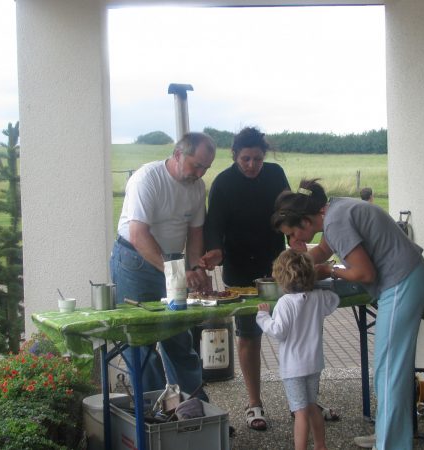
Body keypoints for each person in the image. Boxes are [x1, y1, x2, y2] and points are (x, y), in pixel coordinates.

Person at [271, 179, 424, 450]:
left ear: (305, 221)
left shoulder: (335, 222)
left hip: (402, 282)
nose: (293, 241)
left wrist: (330, 271)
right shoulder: (332, 211)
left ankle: (390, 444)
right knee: (388, 370)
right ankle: (387, 436)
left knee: (390, 372)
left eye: (293, 235)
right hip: (403, 280)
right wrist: (293, 264)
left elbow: (364, 273)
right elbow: (323, 250)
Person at [109, 132, 216, 400]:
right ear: (178, 154)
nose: (200, 173)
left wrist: (196, 269)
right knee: (140, 342)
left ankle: (195, 410)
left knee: (179, 337)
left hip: (172, 261)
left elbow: (195, 234)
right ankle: (157, 412)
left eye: (206, 168)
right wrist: (175, 271)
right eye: (197, 165)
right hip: (134, 260)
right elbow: (138, 234)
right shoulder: (148, 178)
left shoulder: (197, 187)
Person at [198, 126, 289, 430]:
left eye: (258, 159)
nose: (252, 165)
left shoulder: (276, 175)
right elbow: (213, 225)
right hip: (239, 269)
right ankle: (254, 403)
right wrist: (214, 251)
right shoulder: (223, 183)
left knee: (295, 328)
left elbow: (288, 212)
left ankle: (301, 399)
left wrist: (297, 233)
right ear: (234, 155)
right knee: (249, 336)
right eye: (246, 159)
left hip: (277, 266)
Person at [256, 249, 339, 450]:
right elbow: (334, 300)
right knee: (312, 406)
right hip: (314, 363)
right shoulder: (319, 297)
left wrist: (263, 316)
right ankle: (320, 445)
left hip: (293, 368)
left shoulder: (285, 303)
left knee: (300, 411)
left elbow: (278, 331)